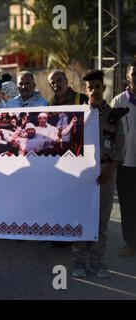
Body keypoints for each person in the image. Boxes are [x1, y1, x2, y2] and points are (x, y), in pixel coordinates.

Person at [71, 69, 125, 278]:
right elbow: (70, 143)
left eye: (98, 86)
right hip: (82, 174)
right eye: (90, 87)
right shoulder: (78, 115)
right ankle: (78, 260)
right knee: (81, 217)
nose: (94, 90)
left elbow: (120, 147)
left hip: (105, 173)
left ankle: (97, 262)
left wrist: (110, 169)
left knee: (101, 221)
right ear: (85, 90)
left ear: (104, 88)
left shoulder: (114, 115)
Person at [111, 60, 136, 257]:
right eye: (134, 73)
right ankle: (130, 243)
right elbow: (109, 131)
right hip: (126, 163)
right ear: (127, 76)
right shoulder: (118, 101)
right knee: (128, 205)